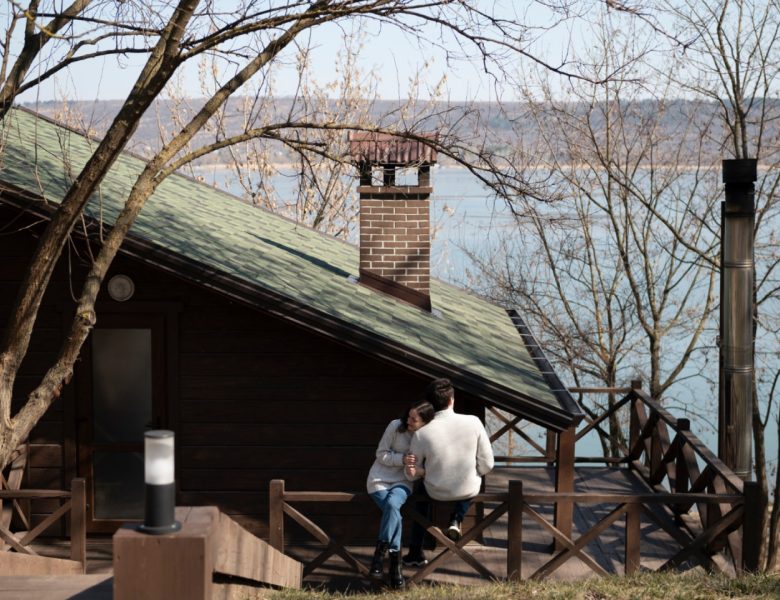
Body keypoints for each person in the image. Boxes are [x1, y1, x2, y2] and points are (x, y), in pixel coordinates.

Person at [402, 377, 494, 567]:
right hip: (466, 489)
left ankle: (415, 551)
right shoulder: (473, 422)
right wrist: (474, 471)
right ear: (452, 400)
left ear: (431, 403)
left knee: (420, 498)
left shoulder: (422, 432)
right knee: (472, 478)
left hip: (435, 489)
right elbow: (488, 465)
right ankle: (456, 518)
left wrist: (424, 472)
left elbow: (410, 472)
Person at [366, 399, 435, 588]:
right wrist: (402, 459)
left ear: (425, 423)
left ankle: (379, 555)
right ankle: (395, 567)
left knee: (392, 506)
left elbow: (417, 471)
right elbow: (381, 454)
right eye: (409, 416)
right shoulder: (395, 426)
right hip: (379, 479)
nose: (409, 421)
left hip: (403, 482)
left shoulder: (426, 439)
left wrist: (412, 469)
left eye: (414, 420)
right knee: (393, 512)